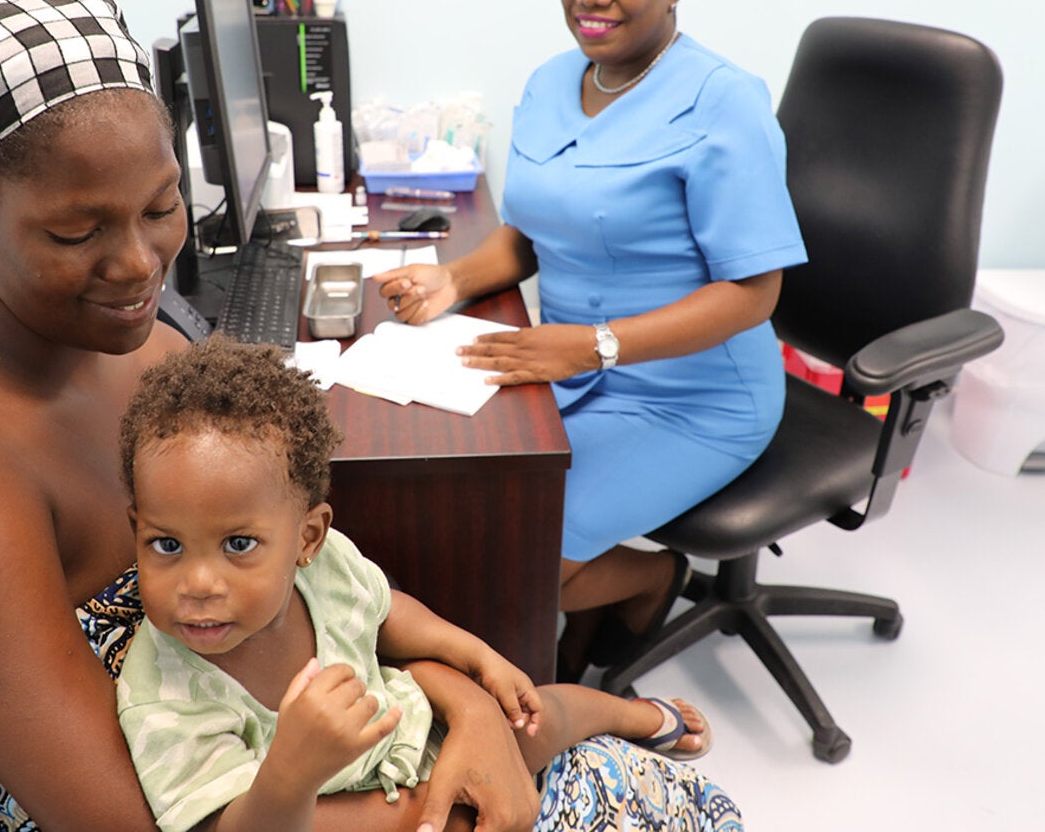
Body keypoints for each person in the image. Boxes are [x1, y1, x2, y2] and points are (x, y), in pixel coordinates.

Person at [0, 0, 740, 832]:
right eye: (77, 232)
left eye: (161, 207)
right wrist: (438, 800)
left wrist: (468, 705)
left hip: (299, 749)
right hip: (234, 807)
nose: (139, 265)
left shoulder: (147, 350)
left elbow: (317, 592)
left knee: (633, 783)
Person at [374, 0, 808, 682]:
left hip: (695, 396)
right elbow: (532, 233)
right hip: (571, 365)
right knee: (464, 502)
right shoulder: (549, 83)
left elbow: (756, 292)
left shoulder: (723, 101)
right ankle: (608, 589)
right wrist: (455, 280)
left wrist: (593, 346)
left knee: (516, 542)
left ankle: (649, 577)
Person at [116, 338, 730, 832]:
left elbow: (386, 613)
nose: (198, 584)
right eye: (167, 545)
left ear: (308, 538)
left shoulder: (322, 569)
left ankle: (630, 715)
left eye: (238, 545)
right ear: (137, 530)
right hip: (364, 800)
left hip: (418, 728)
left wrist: (477, 657)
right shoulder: (163, 696)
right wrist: (290, 775)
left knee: (536, 719)